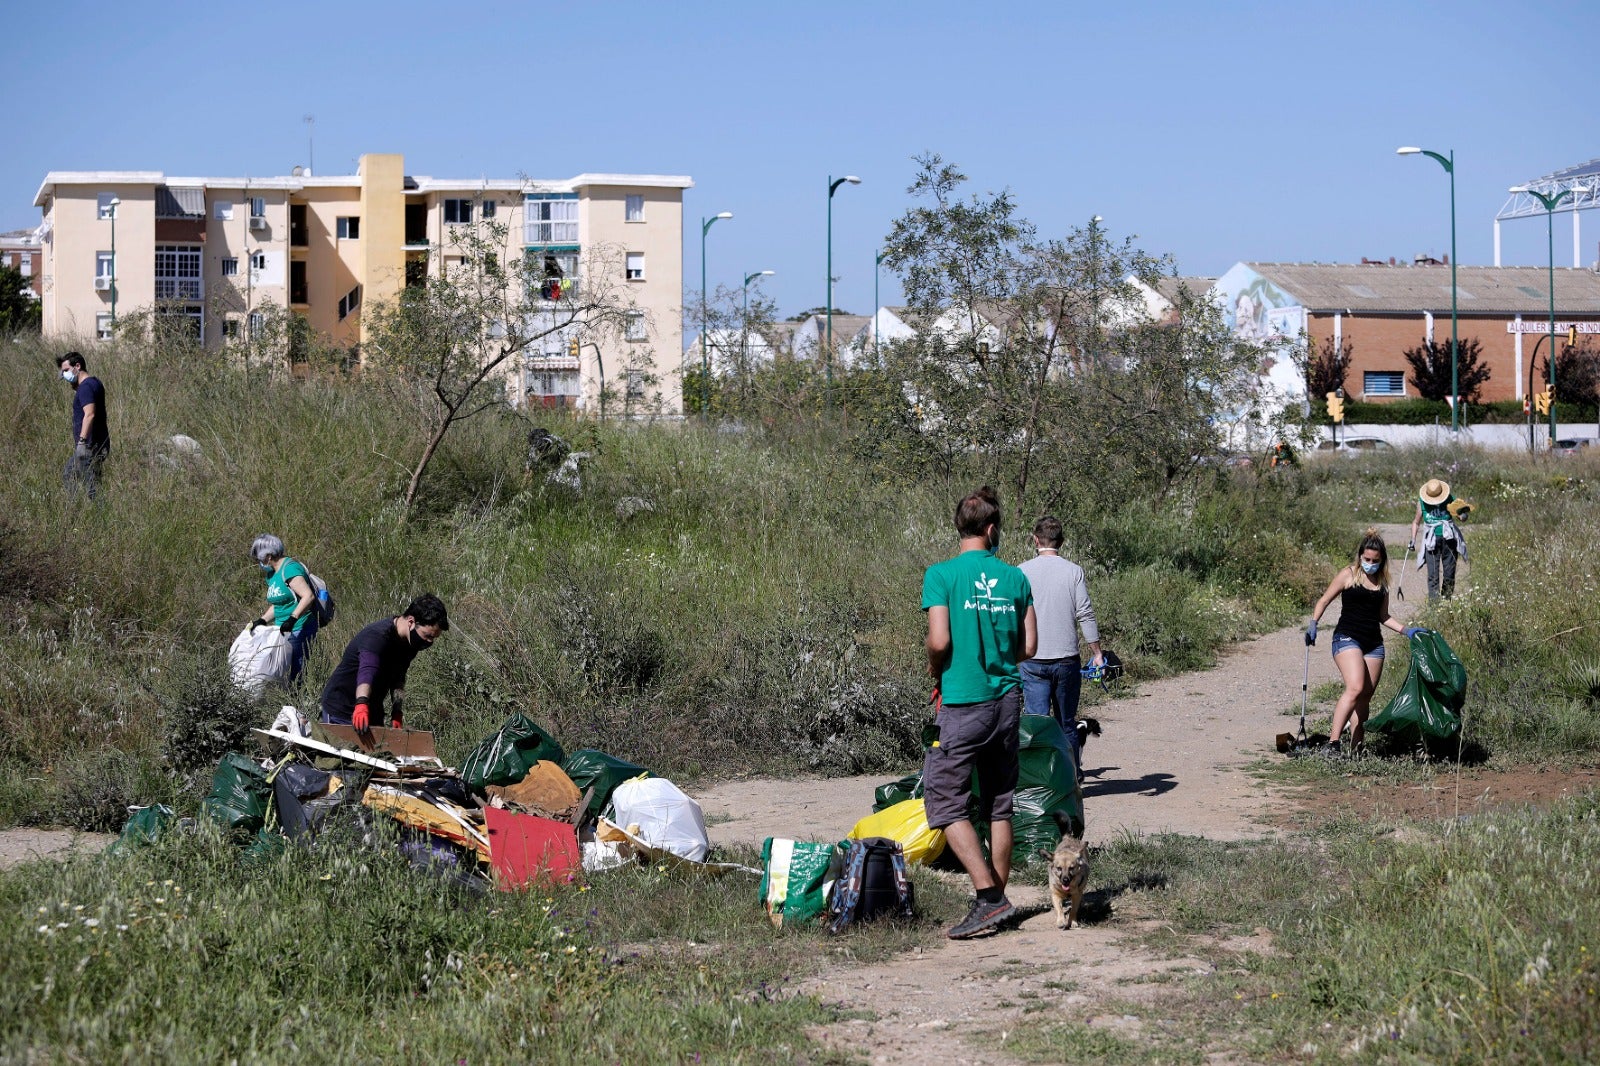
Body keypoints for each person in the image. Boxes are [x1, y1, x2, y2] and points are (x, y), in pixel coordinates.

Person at [922, 486, 1037, 939]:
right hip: (1007, 702)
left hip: (962, 701)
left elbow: (938, 641)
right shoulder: (1016, 579)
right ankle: (997, 900)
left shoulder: (941, 575)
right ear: (992, 530)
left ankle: (989, 899)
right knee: (998, 804)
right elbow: (1030, 647)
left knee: (945, 800)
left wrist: (938, 670)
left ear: (962, 527)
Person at [1306, 530, 1419, 753]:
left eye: (1375, 561)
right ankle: (1333, 743)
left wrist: (1407, 631)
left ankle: (1356, 748)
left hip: (1373, 643)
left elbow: (1383, 616)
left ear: (1382, 561)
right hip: (1347, 637)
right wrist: (1313, 623)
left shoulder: (1383, 582)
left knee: (1365, 696)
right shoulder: (1348, 574)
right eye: (1366, 559)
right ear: (1360, 557)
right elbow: (1325, 599)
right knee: (1355, 687)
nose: (1370, 564)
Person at [1018, 515, 1103, 772]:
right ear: (1061, 542)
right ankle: (1072, 777)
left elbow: (1012, 614)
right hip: (1066, 659)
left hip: (1032, 659)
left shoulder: (1021, 571)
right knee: (1066, 723)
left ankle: (1042, 781)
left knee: (1037, 724)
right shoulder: (1074, 571)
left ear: (1035, 540)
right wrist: (1097, 652)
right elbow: (1085, 613)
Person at [320, 594, 449, 730]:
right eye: (427, 635)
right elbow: (367, 670)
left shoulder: (411, 643)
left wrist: (397, 711)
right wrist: (361, 703)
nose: (429, 642)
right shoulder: (377, 636)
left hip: (373, 711)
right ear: (411, 622)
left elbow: (399, 678)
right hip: (342, 708)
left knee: (378, 751)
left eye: (434, 638)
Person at [247, 534, 319, 684]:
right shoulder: (272, 574)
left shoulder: (290, 569)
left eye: (259, 559)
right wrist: (262, 620)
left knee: (298, 671)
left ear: (268, 556)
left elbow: (308, 596)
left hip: (300, 628)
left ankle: (300, 702)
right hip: (282, 630)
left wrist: (292, 618)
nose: (259, 563)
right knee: (283, 672)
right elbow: (279, 602)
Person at [58, 351, 109, 500]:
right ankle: (98, 514)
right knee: (94, 483)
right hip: (99, 443)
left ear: (77, 366)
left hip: (89, 445)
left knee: (71, 476)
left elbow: (90, 414)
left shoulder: (85, 387)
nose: (65, 375)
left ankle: (76, 509)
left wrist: (82, 442)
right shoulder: (94, 383)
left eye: (66, 370)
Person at [1409, 478, 1465, 601]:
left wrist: (1463, 514)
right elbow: (1416, 522)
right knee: (1433, 575)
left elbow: (1461, 516)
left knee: (1449, 574)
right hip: (1431, 541)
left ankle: (1446, 602)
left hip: (1449, 540)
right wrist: (1413, 539)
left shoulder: (1450, 498)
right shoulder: (1422, 502)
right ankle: (1434, 606)